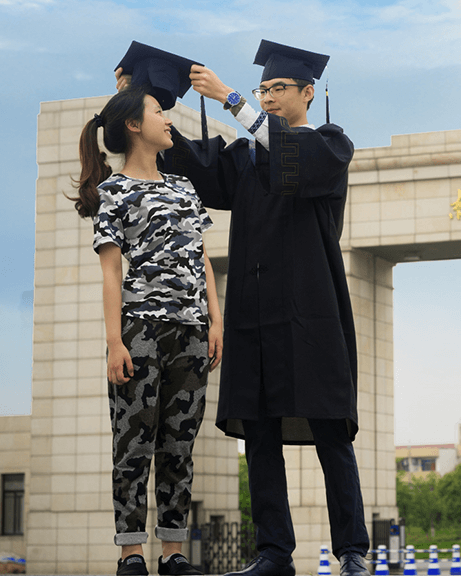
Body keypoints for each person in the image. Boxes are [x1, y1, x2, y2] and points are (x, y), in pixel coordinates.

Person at [116, 39, 370, 576]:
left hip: (312, 312)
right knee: (259, 434)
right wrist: (139, 103)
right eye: (263, 89)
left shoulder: (330, 147)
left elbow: (290, 158)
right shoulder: (247, 156)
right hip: (255, 315)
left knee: (330, 431)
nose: (269, 96)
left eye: (278, 88)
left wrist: (233, 98)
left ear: (308, 92)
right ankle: (274, 553)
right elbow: (187, 163)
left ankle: (352, 551)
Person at [70, 51, 223, 576]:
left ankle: (173, 553)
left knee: (179, 445)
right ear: (135, 126)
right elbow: (111, 272)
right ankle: (131, 554)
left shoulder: (183, 187)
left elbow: (202, 258)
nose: (168, 119)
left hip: (191, 332)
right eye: (159, 112)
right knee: (133, 444)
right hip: (140, 329)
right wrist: (115, 341)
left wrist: (215, 321)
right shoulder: (113, 191)